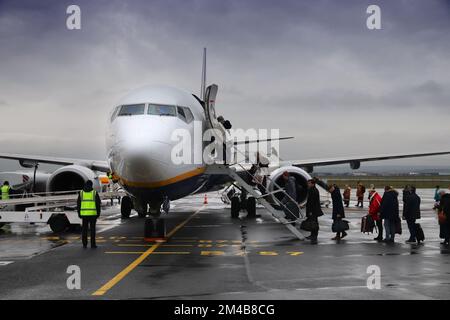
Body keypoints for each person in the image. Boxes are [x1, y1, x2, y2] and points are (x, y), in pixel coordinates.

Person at [77, 180, 101, 249]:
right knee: (92, 230)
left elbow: (78, 204)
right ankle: (93, 245)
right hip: (93, 215)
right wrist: (98, 213)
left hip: (84, 215)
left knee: (84, 230)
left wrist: (79, 213)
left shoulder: (81, 193)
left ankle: (84, 244)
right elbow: (98, 204)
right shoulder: (94, 193)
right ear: (91, 185)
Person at [305, 179, 323, 244]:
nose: (308, 184)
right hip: (312, 210)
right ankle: (312, 235)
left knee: (314, 223)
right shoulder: (311, 190)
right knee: (312, 223)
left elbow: (312, 203)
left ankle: (314, 236)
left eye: (309, 183)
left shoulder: (314, 191)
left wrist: (310, 211)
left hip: (313, 210)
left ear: (313, 184)